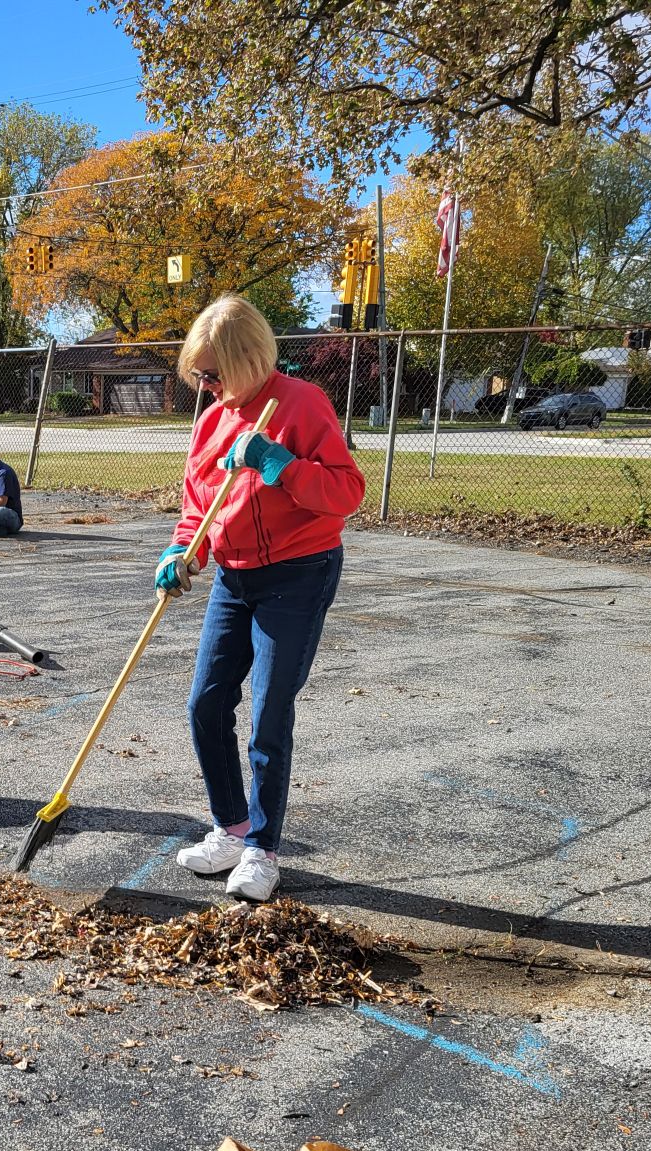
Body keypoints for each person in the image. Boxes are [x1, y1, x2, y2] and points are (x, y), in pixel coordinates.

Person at [154, 294, 363, 901]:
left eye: (214, 373)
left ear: (248, 360)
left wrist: (280, 464)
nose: (207, 384)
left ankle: (262, 849)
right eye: (200, 374)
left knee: (270, 713)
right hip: (234, 574)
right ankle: (231, 825)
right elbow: (199, 505)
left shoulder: (300, 404)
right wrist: (182, 551)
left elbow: (346, 492)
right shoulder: (211, 419)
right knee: (206, 704)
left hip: (299, 571)